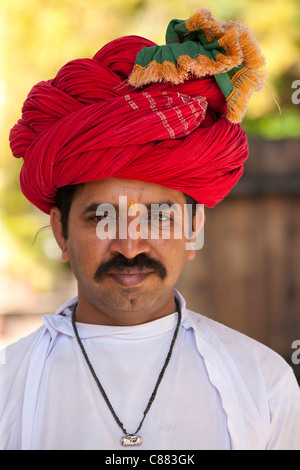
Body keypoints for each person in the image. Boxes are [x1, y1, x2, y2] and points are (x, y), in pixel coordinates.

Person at [1, 8, 300, 450]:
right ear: (60, 231)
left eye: (160, 215)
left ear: (194, 227)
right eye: (101, 216)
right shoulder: (7, 385)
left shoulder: (263, 383)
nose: (129, 243)